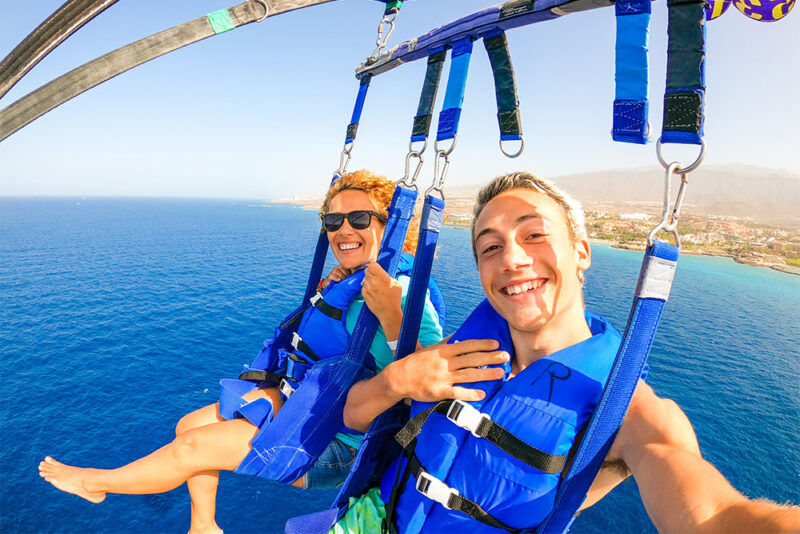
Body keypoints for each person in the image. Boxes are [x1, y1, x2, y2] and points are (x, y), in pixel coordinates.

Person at [332, 172, 800, 533]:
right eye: (490, 247)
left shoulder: (630, 415)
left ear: (581, 252)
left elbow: (715, 515)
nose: (512, 259)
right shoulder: (456, 353)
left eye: (534, 234)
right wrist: (397, 379)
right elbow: (351, 416)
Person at [37, 170, 444, 534]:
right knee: (187, 427)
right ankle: (204, 526)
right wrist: (339, 283)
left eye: (359, 219)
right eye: (333, 221)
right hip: (309, 405)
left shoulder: (404, 292)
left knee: (191, 450)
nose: (343, 230)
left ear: (389, 227)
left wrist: (392, 315)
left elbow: (433, 385)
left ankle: (94, 484)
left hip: (340, 443)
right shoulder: (353, 279)